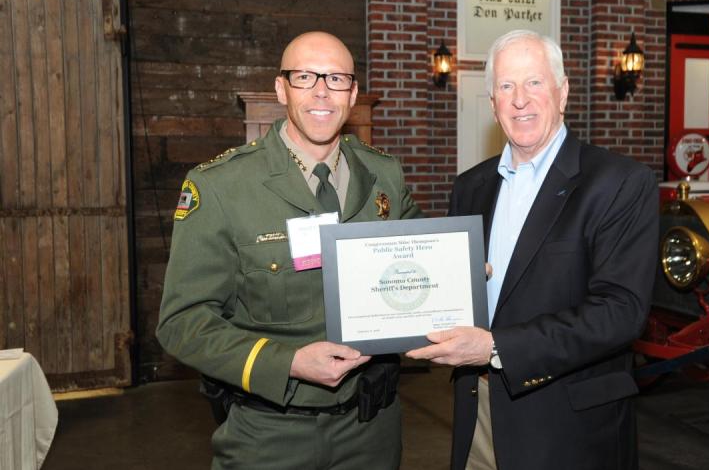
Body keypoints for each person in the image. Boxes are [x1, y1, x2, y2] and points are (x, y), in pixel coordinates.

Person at [157, 31, 423, 470]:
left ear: (353, 93)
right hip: (270, 435)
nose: (322, 91)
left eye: (336, 79)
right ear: (281, 88)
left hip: (372, 429)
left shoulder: (384, 175)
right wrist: (289, 363)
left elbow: (418, 256)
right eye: (305, 77)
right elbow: (182, 322)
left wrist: (464, 275)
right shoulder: (221, 187)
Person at [407, 29, 658, 470]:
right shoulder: (470, 187)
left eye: (534, 82)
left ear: (562, 93)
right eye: (506, 86)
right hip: (478, 410)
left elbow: (620, 311)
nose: (520, 99)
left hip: (566, 428)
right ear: (492, 105)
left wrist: (495, 347)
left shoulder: (619, 183)